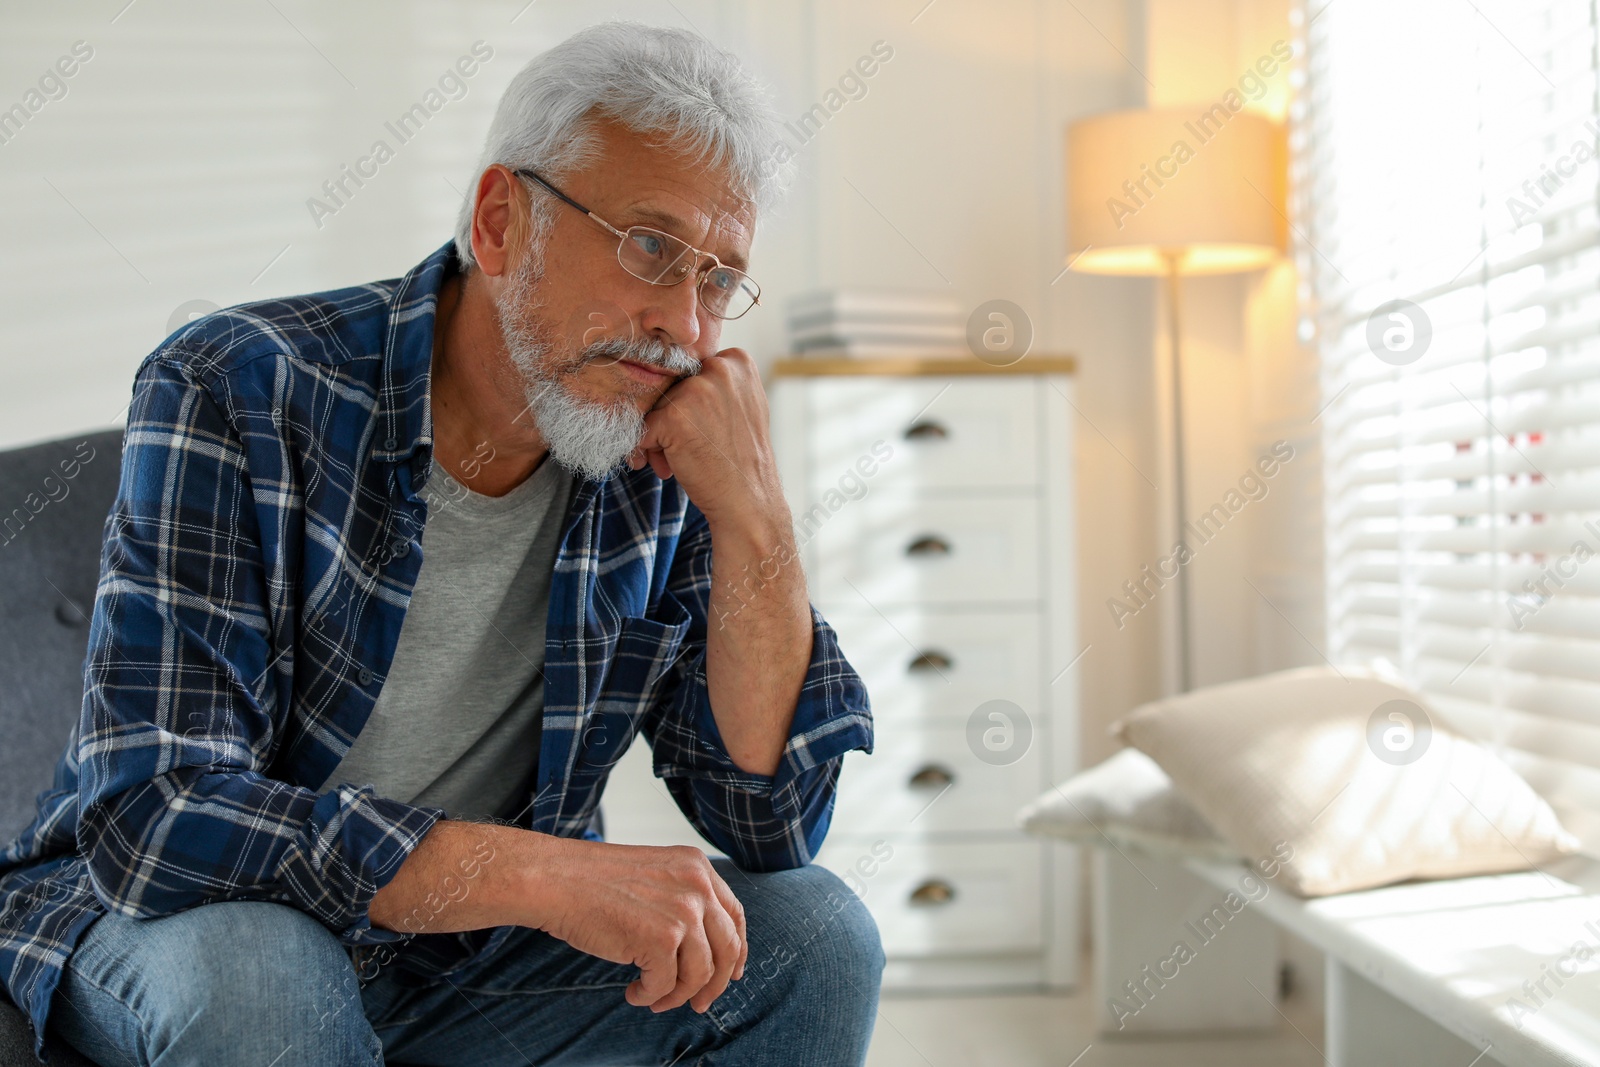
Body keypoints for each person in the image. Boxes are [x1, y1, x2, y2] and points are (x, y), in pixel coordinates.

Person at [0, 21, 881, 1066]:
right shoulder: (238, 383)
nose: (684, 328)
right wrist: (541, 874)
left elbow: (771, 818)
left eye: (718, 279)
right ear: (503, 221)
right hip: (190, 927)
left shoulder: (655, 431)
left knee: (814, 935)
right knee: (268, 977)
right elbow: (156, 815)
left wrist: (755, 515)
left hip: (470, 958)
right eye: (651, 247)